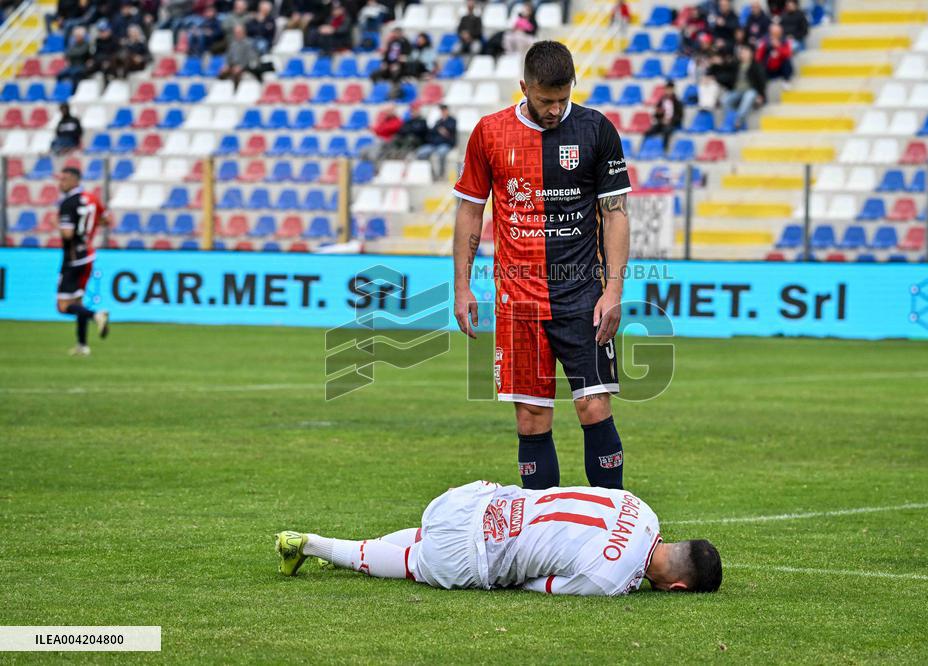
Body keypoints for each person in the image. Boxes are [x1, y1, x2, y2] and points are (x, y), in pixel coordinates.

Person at [452, 41, 632, 491]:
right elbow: (470, 211)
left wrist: (613, 291)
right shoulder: (490, 133)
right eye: (544, 99)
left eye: (562, 98)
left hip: (583, 295)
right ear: (523, 88)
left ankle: (612, 522)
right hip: (519, 299)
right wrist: (462, 286)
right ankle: (541, 534)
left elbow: (615, 214)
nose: (554, 110)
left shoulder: (597, 130)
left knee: (594, 406)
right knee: (532, 417)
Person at [275, 480, 723, 596]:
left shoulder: (640, 506)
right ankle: (313, 544)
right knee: (415, 562)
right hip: (473, 553)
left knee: (421, 536)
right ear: (677, 587)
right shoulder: (613, 579)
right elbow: (539, 586)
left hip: (475, 498)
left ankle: (336, 549)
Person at [56, 167, 110, 356]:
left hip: (72, 257)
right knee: (78, 300)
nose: (60, 183)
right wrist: (89, 231)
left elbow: (67, 233)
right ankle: (82, 345)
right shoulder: (92, 198)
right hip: (88, 254)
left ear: (74, 180)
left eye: (64, 179)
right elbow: (106, 220)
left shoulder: (68, 203)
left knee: (63, 306)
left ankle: (96, 315)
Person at [719, 43, 767, 129]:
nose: (743, 54)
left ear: (751, 53)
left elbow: (761, 82)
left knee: (749, 96)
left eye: (745, 52)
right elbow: (726, 76)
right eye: (742, 52)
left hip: (751, 91)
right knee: (725, 99)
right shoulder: (735, 65)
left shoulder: (756, 66)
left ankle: (739, 120)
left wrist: (761, 95)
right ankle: (730, 120)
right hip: (737, 91)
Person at [415, 104, 457, 179]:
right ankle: (431, 173)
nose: (442, 112)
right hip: (434, 144)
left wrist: (443, 131)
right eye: (441, 110)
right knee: (421, 153)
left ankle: (441, 174)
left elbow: (450, 133)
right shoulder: (438, 121)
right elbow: (432, 133)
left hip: (445, 144)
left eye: (444, 110)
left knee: (441, 153)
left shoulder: (452, 121)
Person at [645, 79, 684, 150]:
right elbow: (656, 114)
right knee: (648, 132)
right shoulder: (662, 100)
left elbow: (680, 116)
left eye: (670, 89)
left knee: (666, 131)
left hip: (671, 124)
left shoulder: (677, 102)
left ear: (673, 89)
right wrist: (658, 115)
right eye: (667, 89)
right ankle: (644, 148)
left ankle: (664, 150)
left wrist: (670, 120)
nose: (668, 91)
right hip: (661, 123)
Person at [57, 26, 91, 91]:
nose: (76, 37)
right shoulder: (73, 44)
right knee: (60, 74)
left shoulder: (86, 44)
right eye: (75, 36)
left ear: (82, 36)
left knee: (74, 74)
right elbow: (66, 54)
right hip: (72, 66)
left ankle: (73, 92)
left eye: (78, 36)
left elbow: (80, 52)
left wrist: (72, 53)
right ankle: (60, 91)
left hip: (82, 66)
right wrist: (72, 53)